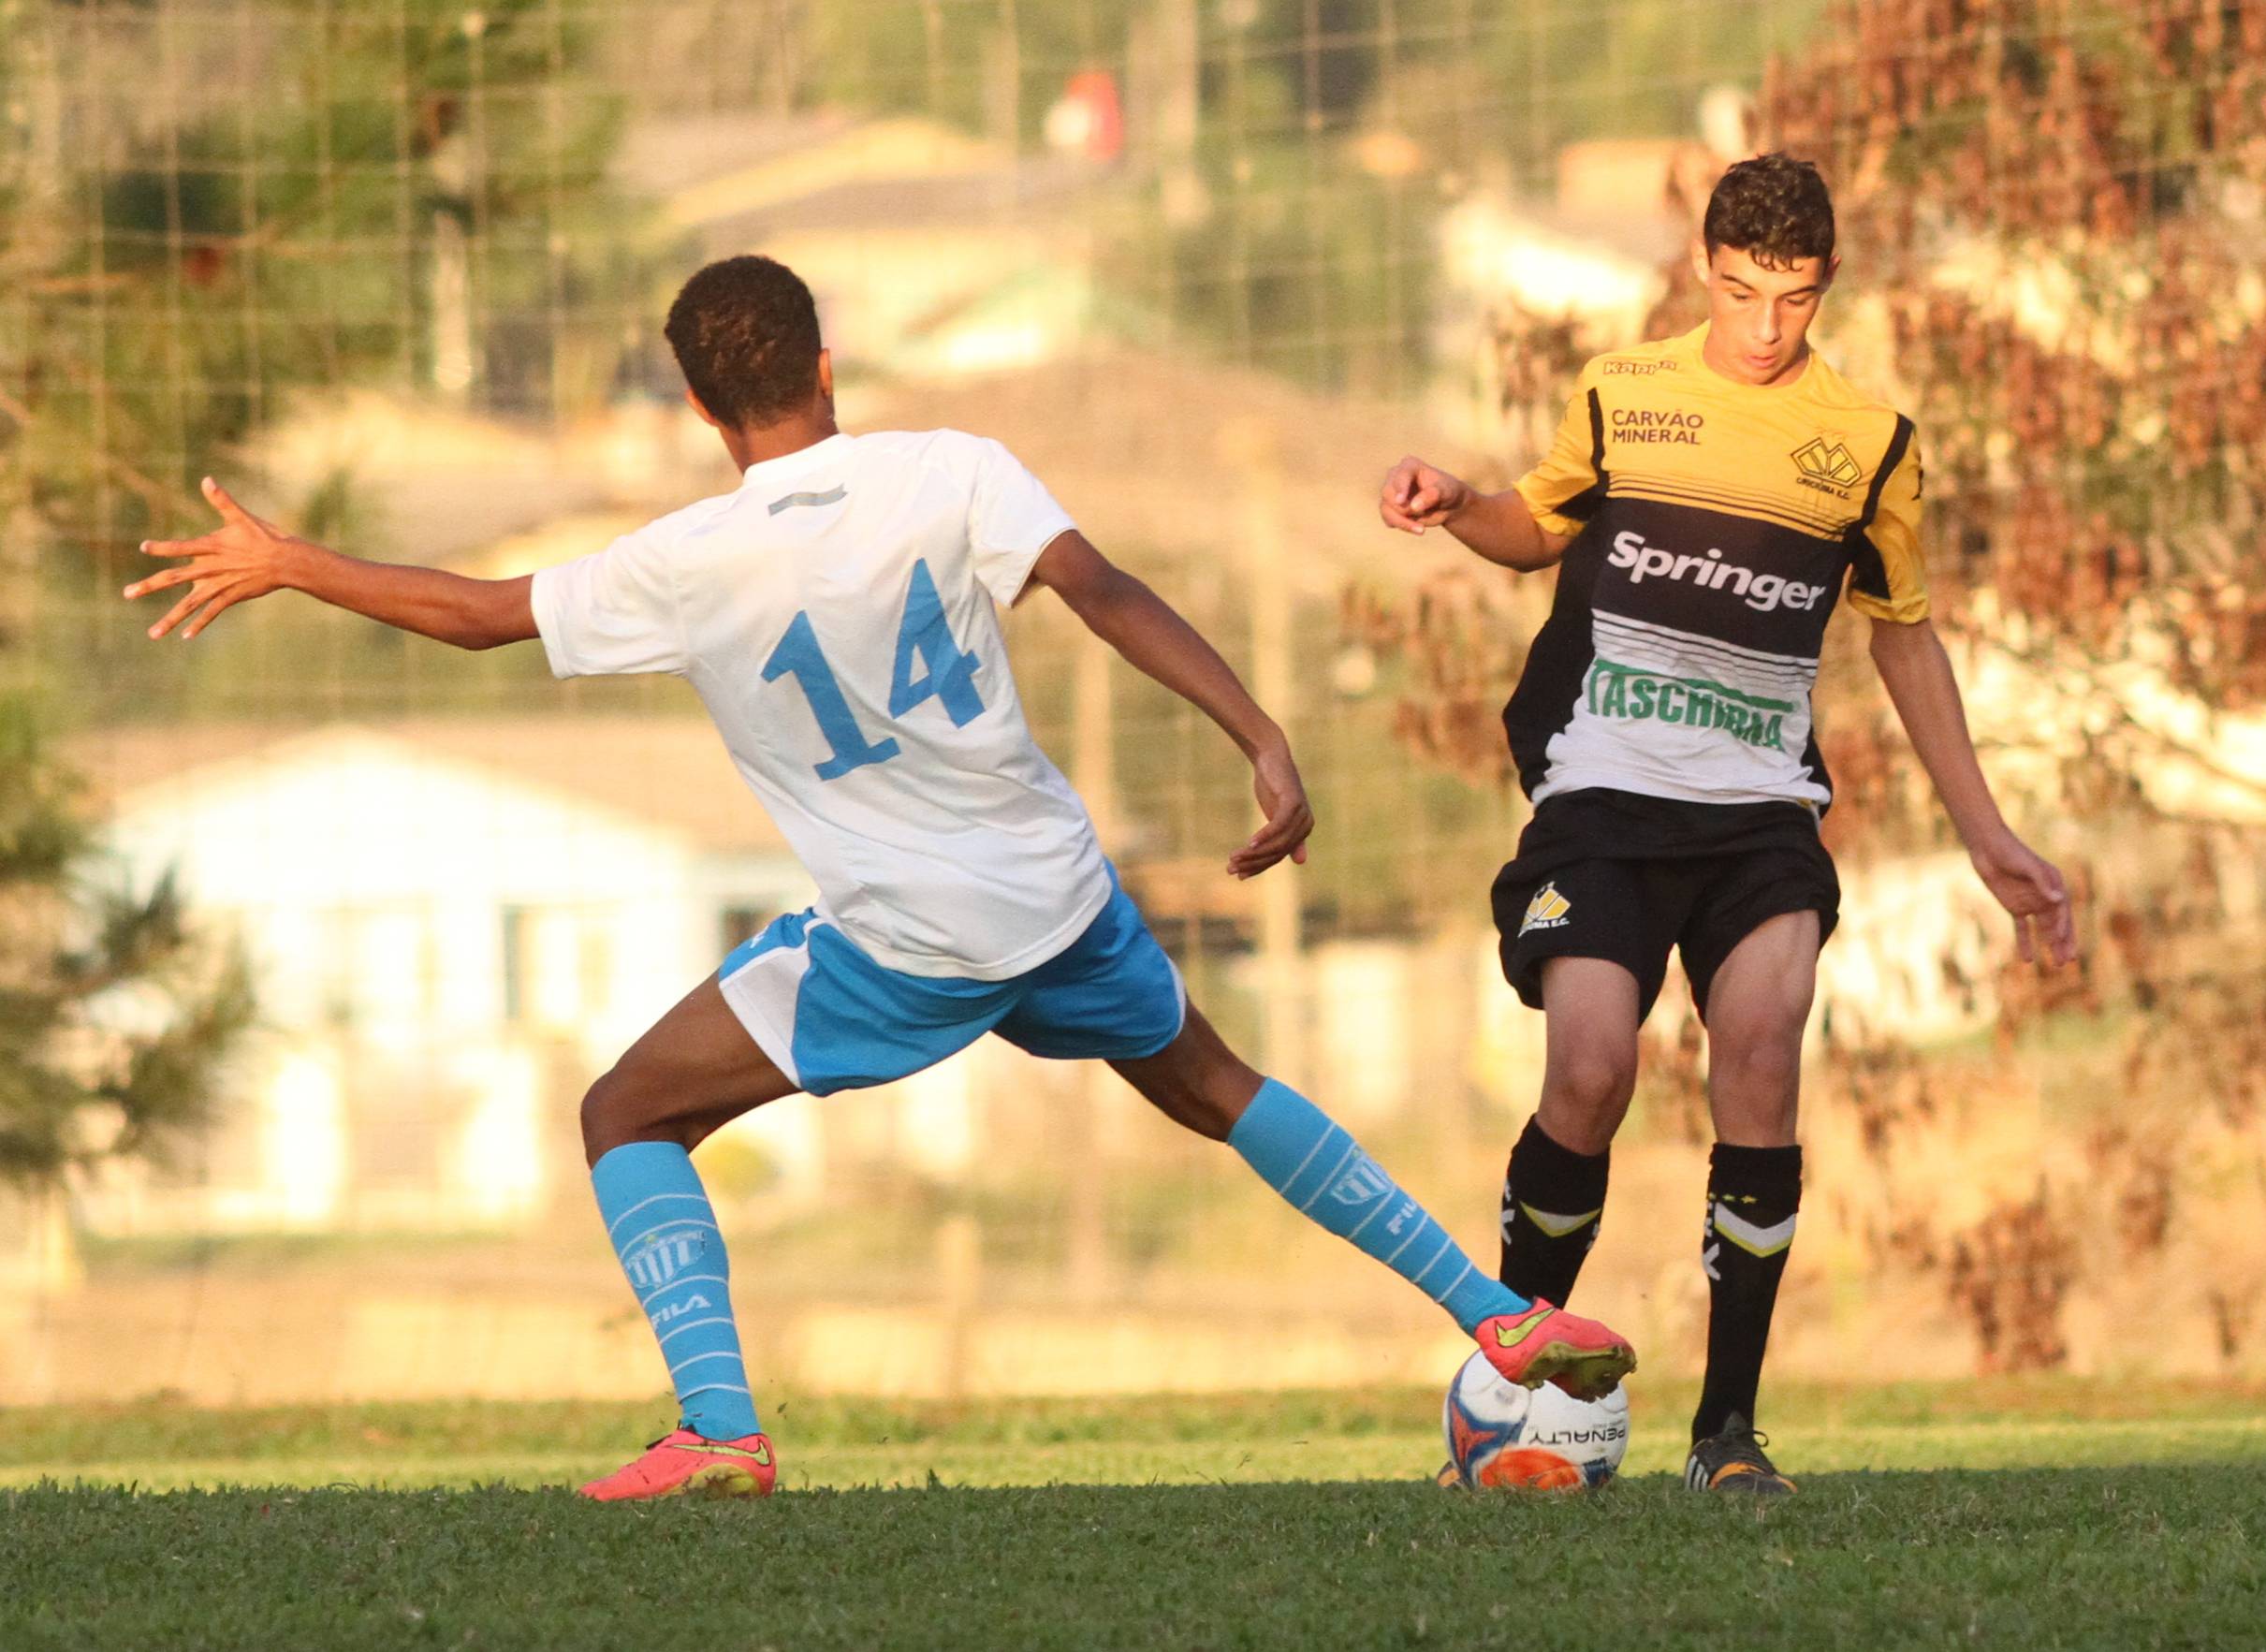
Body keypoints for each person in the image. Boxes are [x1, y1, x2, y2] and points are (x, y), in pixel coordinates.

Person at [127, 254, 1635, 1501]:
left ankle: (721, 1429)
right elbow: (1102, 591)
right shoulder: (949, 470)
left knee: (625, 1111)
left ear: (707, 410)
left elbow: (472, 613)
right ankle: (1496, 1316)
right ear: (826, 363)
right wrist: (1262, 737)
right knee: (1214, 1082)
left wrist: (291, 562)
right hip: (1060, 893)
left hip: (906, 943)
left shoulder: (686, 558)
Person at [1378, 155, 2076, 1496]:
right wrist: (1457, 502)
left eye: (1796, 300)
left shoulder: (1865, 442)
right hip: (1598, 794)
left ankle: (1728, 1434)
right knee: (1589, 1069)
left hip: (1759, 811)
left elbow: (1905, 638)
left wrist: (1987, 835)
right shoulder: (1623, 394)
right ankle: (1507, 1388)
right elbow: (1537, 526)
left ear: (1825, 290)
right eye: (1745, 292)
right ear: (1705, 269)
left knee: (1761, 1041)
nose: (1767, 329)